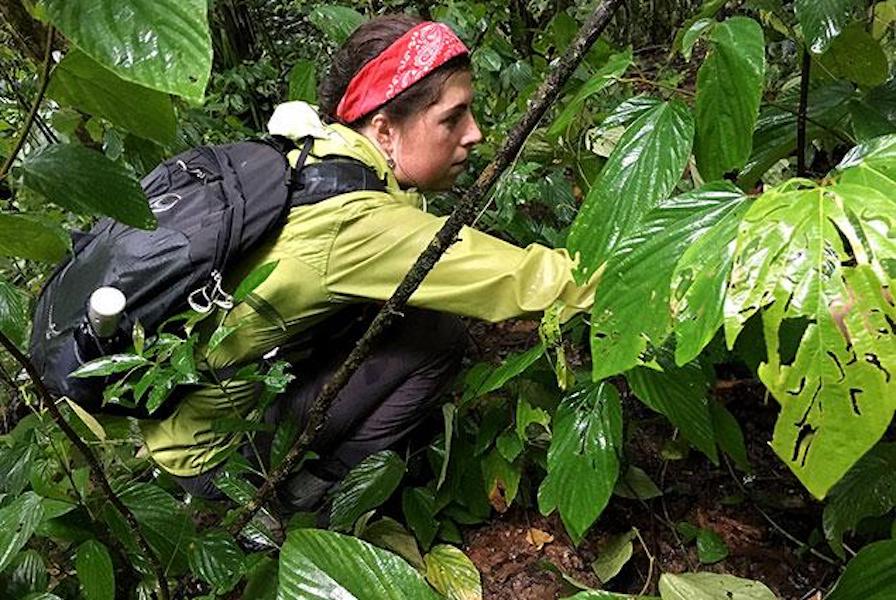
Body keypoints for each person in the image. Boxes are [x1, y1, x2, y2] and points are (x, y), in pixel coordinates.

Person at [139, 14, 597, 511]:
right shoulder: (354, 221)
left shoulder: (317, 153)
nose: (476, 134)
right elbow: (526, 281)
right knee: (438, 336)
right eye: (452, 118)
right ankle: (303, 494)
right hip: (215, 457)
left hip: (179, 418)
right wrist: (655, 279)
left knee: (411, 313)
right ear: (383, 130)